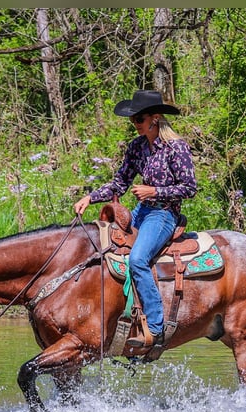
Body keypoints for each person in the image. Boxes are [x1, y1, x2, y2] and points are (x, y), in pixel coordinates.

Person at [74, 90, 197, 348]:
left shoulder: (177, 148)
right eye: (133, 120)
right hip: (141, 211)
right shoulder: (137, 147)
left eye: (139, 120)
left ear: (155, 118)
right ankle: (125, 318)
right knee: (110, 252)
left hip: (164, 214)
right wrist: (91, 198)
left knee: (139, 259)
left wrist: (154, 191)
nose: (135, 124)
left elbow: (189, 187)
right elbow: (120, 182)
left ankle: (155, 327)